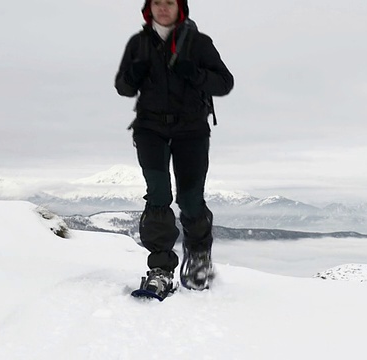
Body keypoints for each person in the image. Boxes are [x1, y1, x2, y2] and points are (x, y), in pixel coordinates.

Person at [115, 0, 233, 298]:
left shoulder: (199, 43)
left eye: (169, 2)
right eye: (157, 2)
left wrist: (194, 73)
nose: (163, 8)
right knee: (158, 196)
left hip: (191, 130)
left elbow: (224, 82)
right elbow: (123, 87)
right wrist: (135, 73)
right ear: (149, 8)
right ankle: (160, 268)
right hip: (150, 129)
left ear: (180, 7)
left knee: (190, 198)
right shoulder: (139, 44)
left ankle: (198, 258)